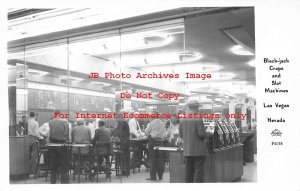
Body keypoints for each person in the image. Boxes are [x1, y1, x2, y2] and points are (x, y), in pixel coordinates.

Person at [179, 100, 209, 183]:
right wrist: (207, 134)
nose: (198, 109)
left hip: (187, 150)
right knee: (198, 171)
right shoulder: (198, 118)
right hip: (198, 151)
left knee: (188, 171)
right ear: (195, 108)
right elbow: (201, 134)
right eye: (198, 108)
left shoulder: (182, 119)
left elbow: (181, 134)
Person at [48, 110, 69, 184]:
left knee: (53, 164)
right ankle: (64, 182)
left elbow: (49, 134)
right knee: (63, 164)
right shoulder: (65, 122)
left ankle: (53, 182)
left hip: (53, 144)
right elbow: (67, 134)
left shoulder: (50, 122)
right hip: (62, 144)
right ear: (60, 114)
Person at [144, 112, 166, 181]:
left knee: (153, 160)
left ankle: (153, 177)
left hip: (153, 142)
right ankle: (160, 176)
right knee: (160, 160)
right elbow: (164, 134)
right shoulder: (162, 123)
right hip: (160, 143)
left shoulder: (151, 123)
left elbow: (146, 132)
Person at [111, 112, 130, 176]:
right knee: (125, 157)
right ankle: (125, 171)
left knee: (121, 156)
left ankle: (124, 170)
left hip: (123, 143)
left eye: (116, 118)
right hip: (125, 142)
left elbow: (117, 132)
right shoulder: (123, 122)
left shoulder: (122, 122)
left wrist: (112, 134)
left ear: (120, 117)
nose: (115, 119)